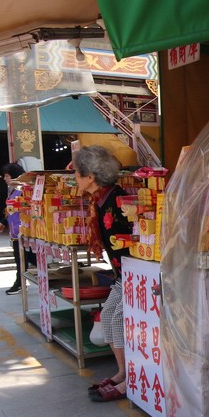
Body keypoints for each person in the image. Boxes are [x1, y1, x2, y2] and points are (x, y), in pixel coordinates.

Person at [74, 147, 132, 403]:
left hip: (134, 273)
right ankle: (123, 372)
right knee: (109, 314)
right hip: (123, 273)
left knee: (117, 315)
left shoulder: (116, 201)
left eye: (77, 174)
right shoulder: (100, 200)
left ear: (90, 176)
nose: (75, 178)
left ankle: (130, 376)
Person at [0, 162, 28, 294]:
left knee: (22, 258)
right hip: (15, 231)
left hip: (24, 231)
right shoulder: (14, 191)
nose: (5, 178)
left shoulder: (23, 191)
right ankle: (21, 282)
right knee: (22, 258)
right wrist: (4, 221)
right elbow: (11, 210)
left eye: (7, 175)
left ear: (15, 177)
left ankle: (19, 283)